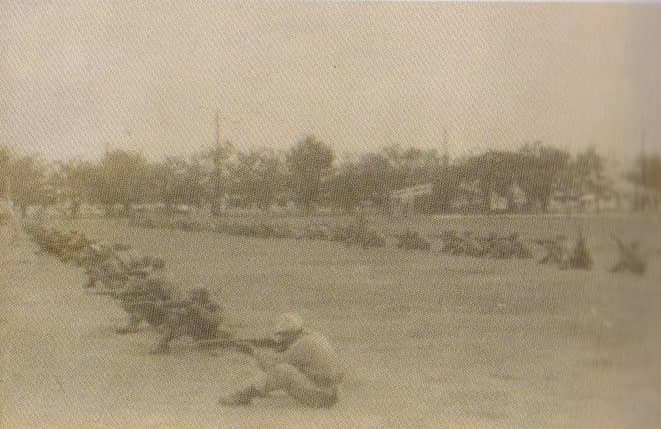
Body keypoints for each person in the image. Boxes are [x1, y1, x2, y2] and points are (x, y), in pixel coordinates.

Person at [218, 312, 345, 408]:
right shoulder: (315, 337)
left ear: (292, 333)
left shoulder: (302, 345)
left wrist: (253, 352)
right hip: (332, 393)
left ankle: (243, 395)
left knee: (282, 370)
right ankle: (260, 389)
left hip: (321, 397)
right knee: (286, 370)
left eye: (283, 335)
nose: (280, 339)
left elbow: (273, 366)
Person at [151, 287, 232, 354]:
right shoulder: (192, 302)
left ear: (204, 296)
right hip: (193, 330)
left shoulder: (212, 306)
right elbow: (178, 303)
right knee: (175, 320)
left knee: (184, 323)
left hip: (207, 332)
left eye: (196, 295)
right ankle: (162, 345)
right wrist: (164, 304)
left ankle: (162, 344)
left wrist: (199, 310)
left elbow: (216, 320)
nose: (193, 298)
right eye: (193, 296)